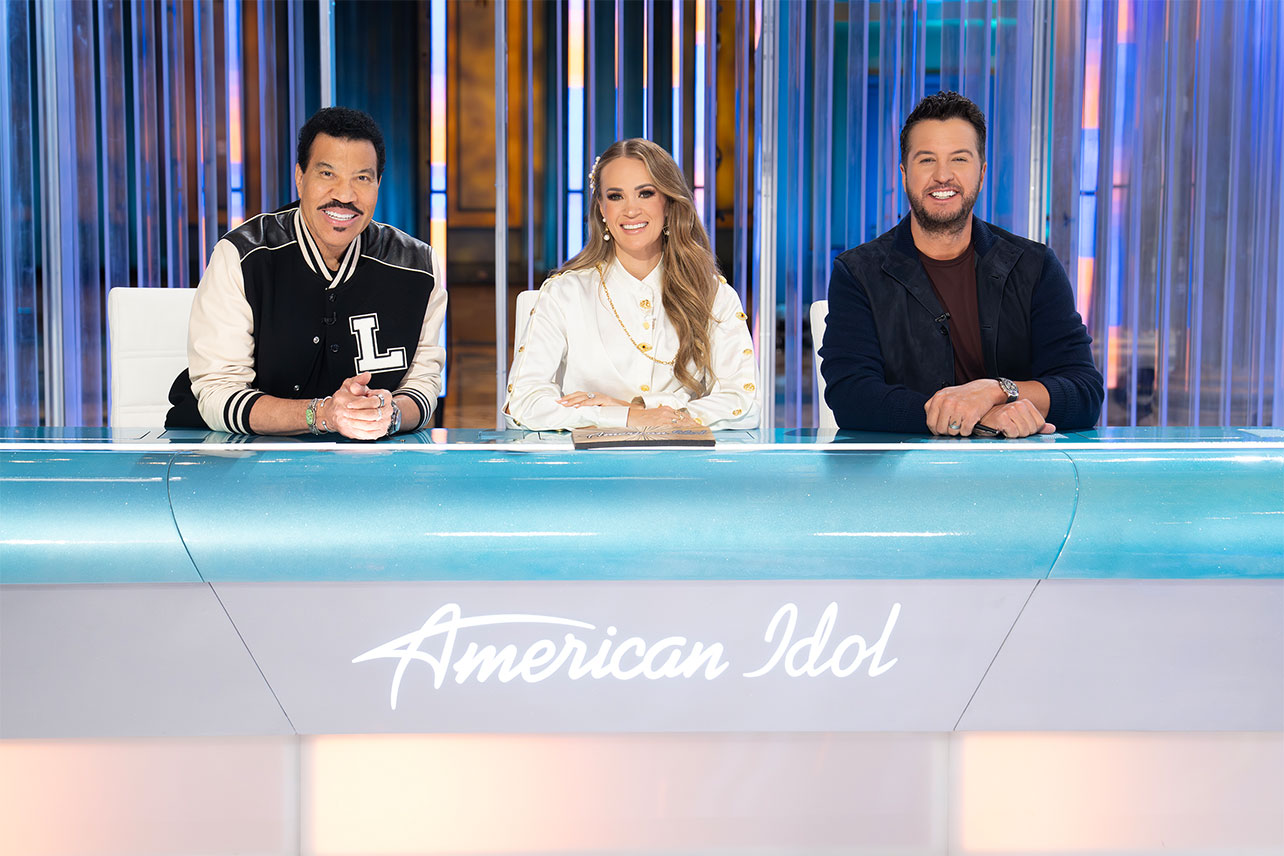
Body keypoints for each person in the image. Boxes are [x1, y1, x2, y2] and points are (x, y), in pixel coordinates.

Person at [820, 91, 1103, 437]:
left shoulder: (1035, 266)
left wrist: (996, 391)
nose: (943, 176)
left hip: (1019, 468)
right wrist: (976, 421)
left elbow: (1084, 390)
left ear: (981, 173)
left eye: (959, 159)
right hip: (907, 468)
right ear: (904, 174)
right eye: (926, 160)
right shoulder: (857, 273)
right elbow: (851, 396)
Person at [166, 106, 446, 438]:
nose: (344, 195)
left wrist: (390, 414)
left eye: (362, 178)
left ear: (378, 184)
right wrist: (323, 415)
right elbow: (218, 393)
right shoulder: (243, 256)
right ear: (300, 178)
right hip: (233, 456)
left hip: (367, 461)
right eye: (327, 174)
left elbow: (422, 385)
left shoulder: (417, 266)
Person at [505, 138, 759, 430]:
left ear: (668, 203)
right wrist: (627, 418)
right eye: (616, 196)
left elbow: (745, 404)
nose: (631, 210)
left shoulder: (713, 294)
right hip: (589, 459)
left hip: (681, 456)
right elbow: (522, 403)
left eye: (645, 193)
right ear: (601, 208)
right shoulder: (563, 294)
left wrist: (639, 410)